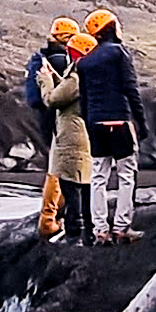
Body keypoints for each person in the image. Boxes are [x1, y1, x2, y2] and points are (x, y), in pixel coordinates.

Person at [75, 7, 145, 240]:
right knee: (126, 175)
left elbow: (83, 100)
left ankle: (100, 231)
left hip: (95, 124)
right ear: (111, 28)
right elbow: (130, 89)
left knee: (98, 177)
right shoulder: (119, 53)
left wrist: (88, 124)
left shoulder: (84, 63)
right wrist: (141, 122)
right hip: (119, 121)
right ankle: (122, 228)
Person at [37, 13, 96, 246]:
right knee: (85, 182)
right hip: (83, 135)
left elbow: (53, 99)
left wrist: (45, 80)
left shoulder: (77, 75)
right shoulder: (90, 72)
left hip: (71, 135)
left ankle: (71, 231)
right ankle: (87, 229)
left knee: (70, 184)